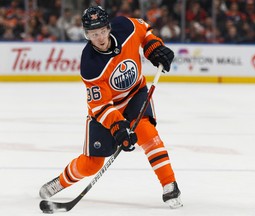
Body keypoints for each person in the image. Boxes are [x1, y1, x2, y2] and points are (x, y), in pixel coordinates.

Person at [39, 5, 183, 209]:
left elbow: (145, 31)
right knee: (92, 164)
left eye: (102, 31)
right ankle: (60, 182)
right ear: (87, 35)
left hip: (135, 95)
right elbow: (101, 107)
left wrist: (154, 47)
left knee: (147, 132)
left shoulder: (125, 26)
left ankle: (169, 185)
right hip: (107, 110)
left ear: (109, 28)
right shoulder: (90, 64)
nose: (99, 37)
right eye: (93, 34)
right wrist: (119, 128)